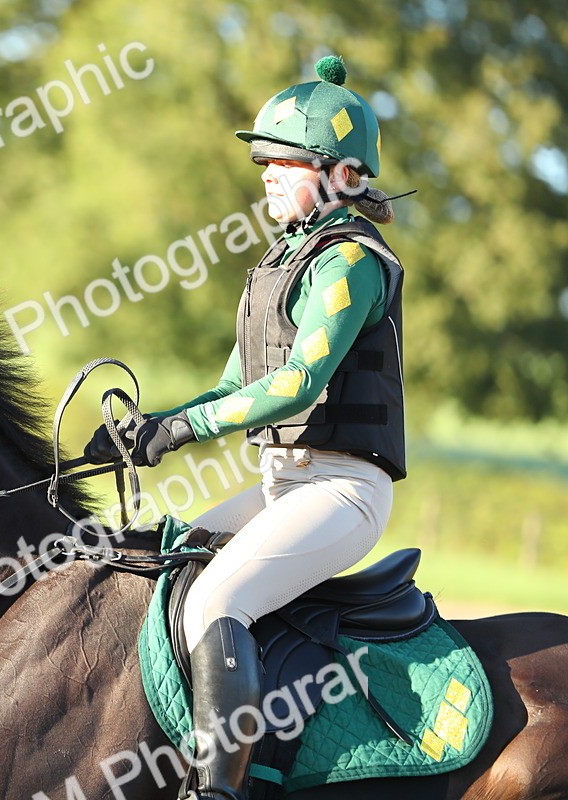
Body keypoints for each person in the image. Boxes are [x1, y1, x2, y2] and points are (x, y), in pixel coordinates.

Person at [84, 56, 407, 800]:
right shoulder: (281, 263)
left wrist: (185, 431)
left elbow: (298, 383)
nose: (262, 173)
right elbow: (236, 385)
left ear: (340, 174)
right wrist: (153, 428)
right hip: (283, 485)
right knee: (173, 570)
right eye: (261, 159)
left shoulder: (351, 260)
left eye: (281, 160)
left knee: (215, 603)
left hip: (341, 494)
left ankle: (218, 791)